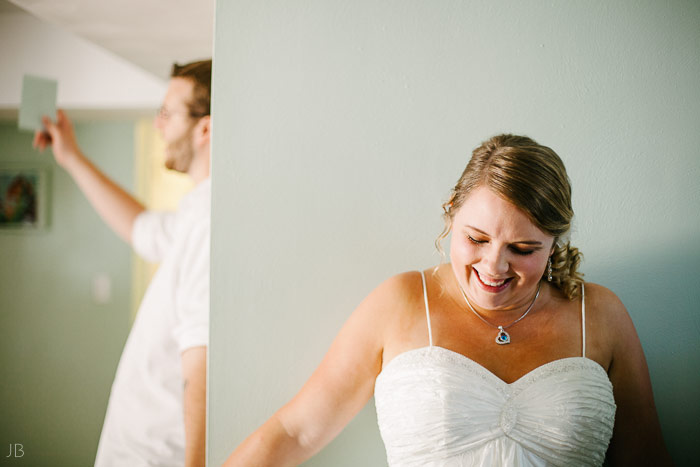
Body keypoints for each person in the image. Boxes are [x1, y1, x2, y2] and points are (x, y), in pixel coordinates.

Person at [224, 134, 671, 466]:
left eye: (523, 249)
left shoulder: (602, 315)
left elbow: (646, 456)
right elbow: (296, 431)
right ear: (451, 211)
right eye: (476, 238)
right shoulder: (400, 303)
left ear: (554, 243)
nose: (494, 267)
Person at [33, 59, 212, 467]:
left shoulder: (209, 223)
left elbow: (200, 359)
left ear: (205, 128)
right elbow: (140, 228)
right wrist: (72, 156)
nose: (158, 125)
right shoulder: (195, 216)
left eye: (168, 112)